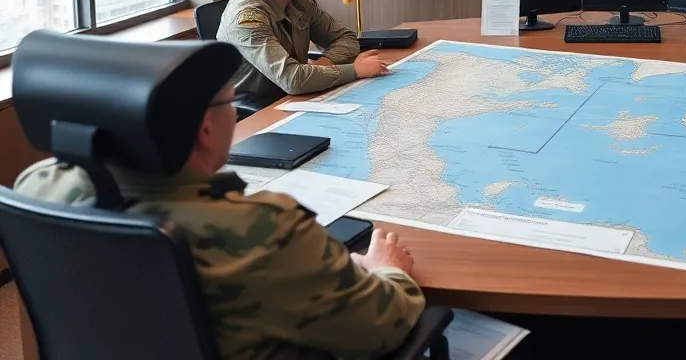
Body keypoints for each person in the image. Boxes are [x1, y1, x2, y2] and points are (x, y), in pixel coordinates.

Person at [15, 77, 426, 358]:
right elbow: (378, 327)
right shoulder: (261, 230)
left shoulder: (40, 184)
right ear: (205, 131)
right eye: (231, 103)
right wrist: (388, 272)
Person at [218, 0, 389, 109]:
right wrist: (355, 70)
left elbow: (347, 39)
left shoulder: (300, 0)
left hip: (296, 97)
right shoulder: (247, 20)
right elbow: (292, 79)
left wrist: (323, 65)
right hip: (256, 111)